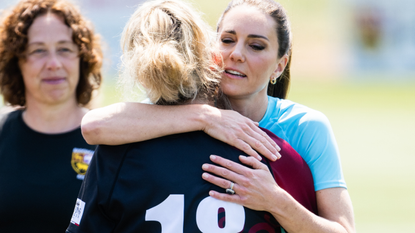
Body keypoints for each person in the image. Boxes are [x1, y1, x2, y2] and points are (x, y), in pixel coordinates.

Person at [80, 0, 356, 232]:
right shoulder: (172, 115)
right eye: (227, 40)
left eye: (256, 46)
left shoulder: (304, 127)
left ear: (279, 66)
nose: (236, 54)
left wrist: (275, 200)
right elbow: (94, 125)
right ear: (210, 51)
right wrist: (206, 117)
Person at [0, 0, 102, 232]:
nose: (54, 64)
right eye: (38, 50)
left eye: (64, 49)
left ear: (82, 58)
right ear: (17, 62)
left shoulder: (108, 141)